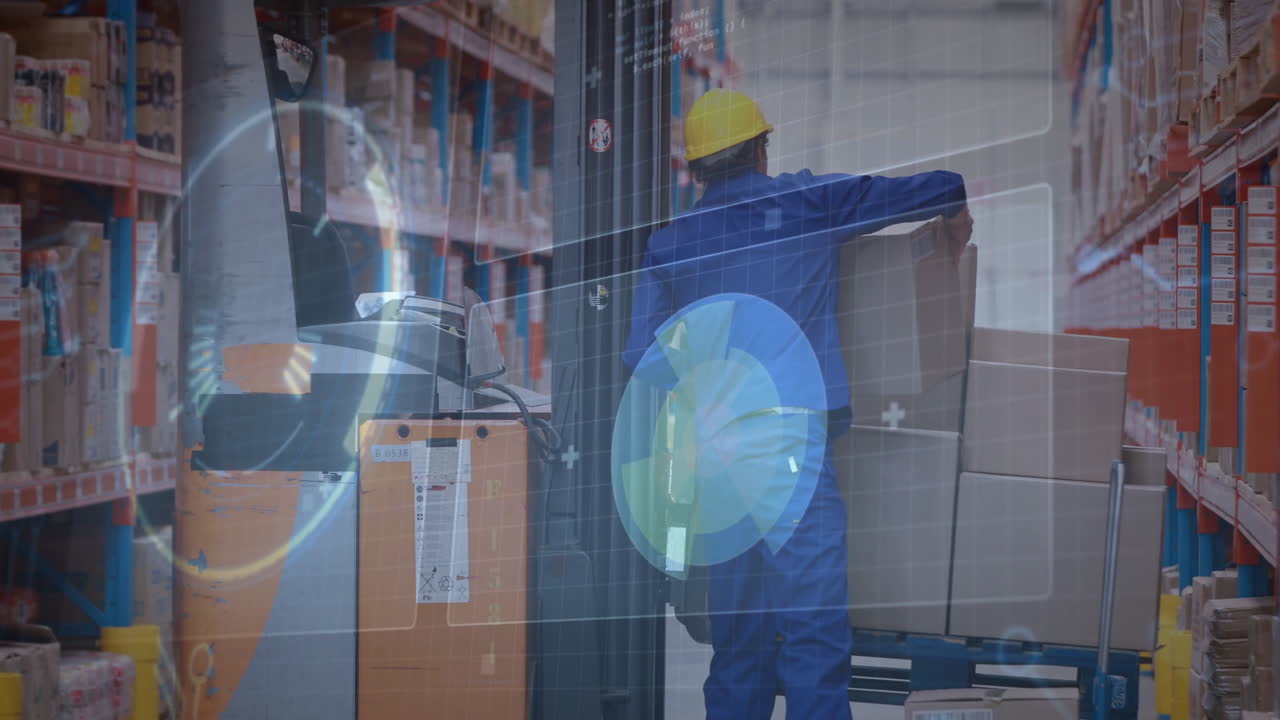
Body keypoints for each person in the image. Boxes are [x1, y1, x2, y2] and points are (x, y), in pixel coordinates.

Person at [622, 88, 973, 720]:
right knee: (812, 636)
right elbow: (939, 187)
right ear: (761, 149)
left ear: (695, 170)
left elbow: (641, 361)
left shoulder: (669, 247)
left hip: (717, 462)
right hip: (789, 454)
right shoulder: (809, 202)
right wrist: (955, 212)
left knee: (738, 645)